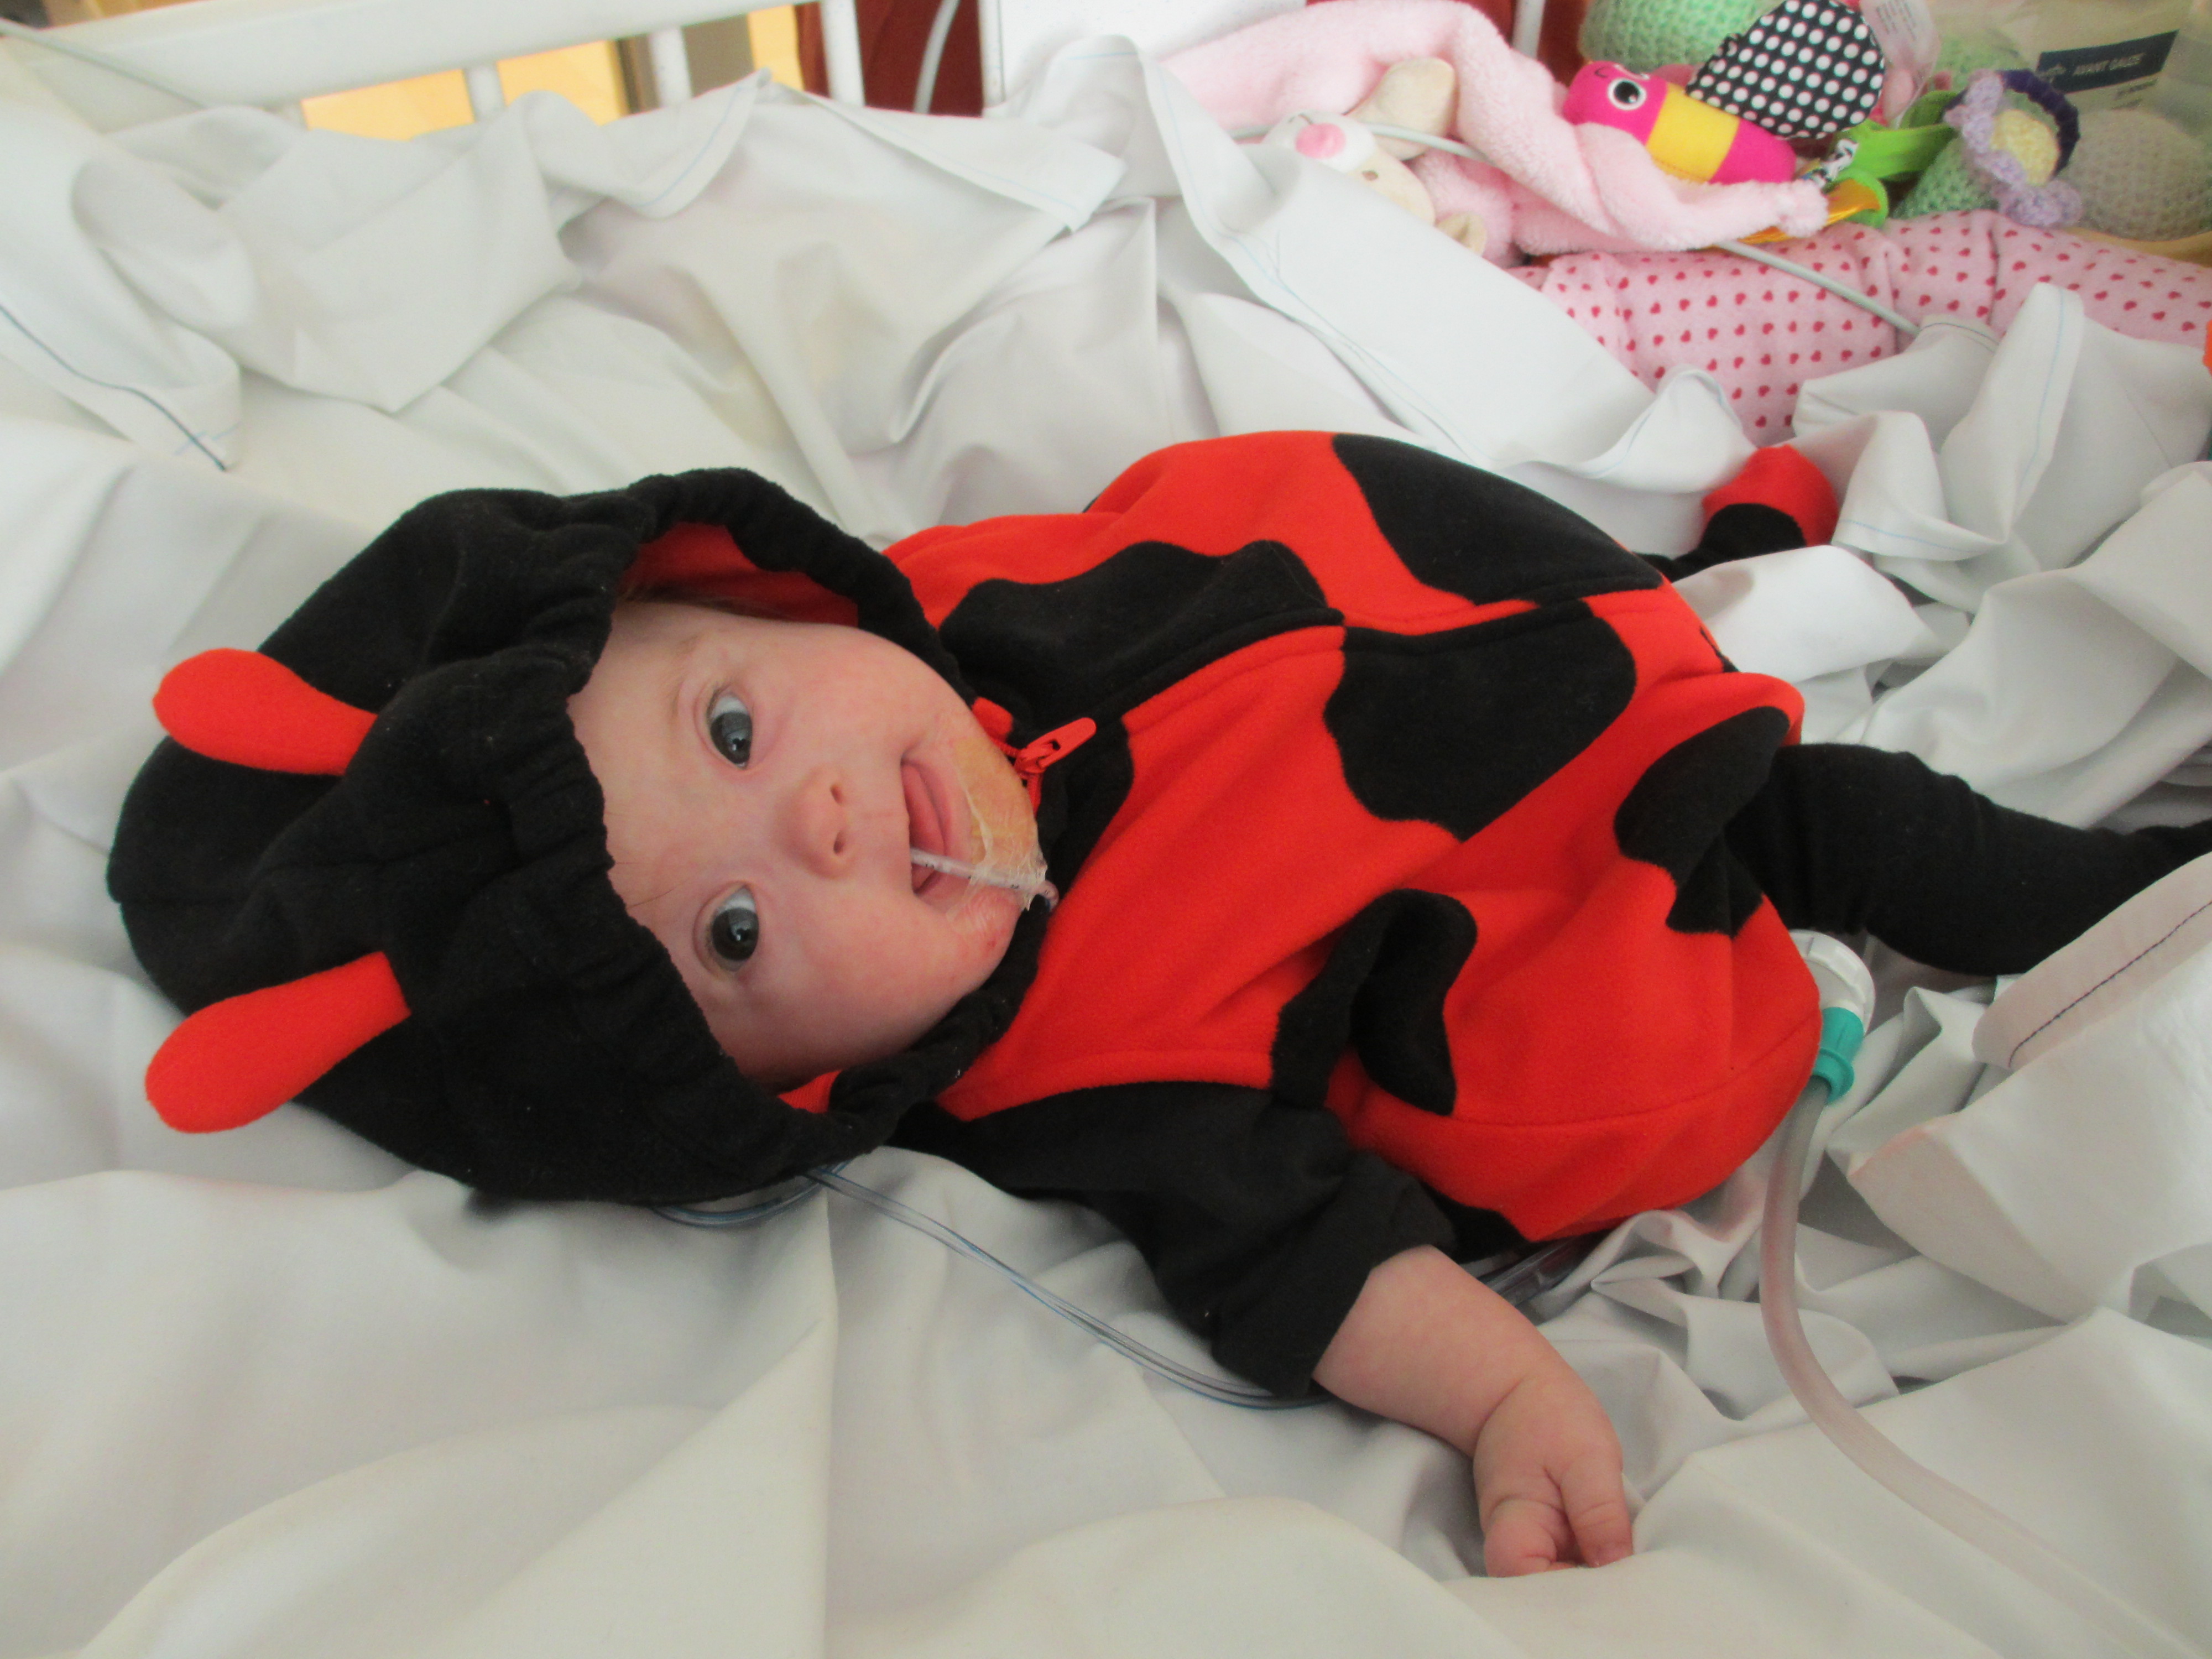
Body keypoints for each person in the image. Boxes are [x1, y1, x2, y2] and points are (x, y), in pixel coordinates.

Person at [108, 432, 2212, 1578]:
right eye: (735, 936)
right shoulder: (1076, 1064)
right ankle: (2147, 904)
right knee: (1871, 823)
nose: (816, 820)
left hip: (1541, 629)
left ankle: (1735, 551)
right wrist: (1506, 1399)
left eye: (737, 726)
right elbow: (1303, 1260)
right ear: (802, 1087)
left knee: (1696, 638)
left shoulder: (963, 608)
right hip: (1635, 888)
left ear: (751, 592)